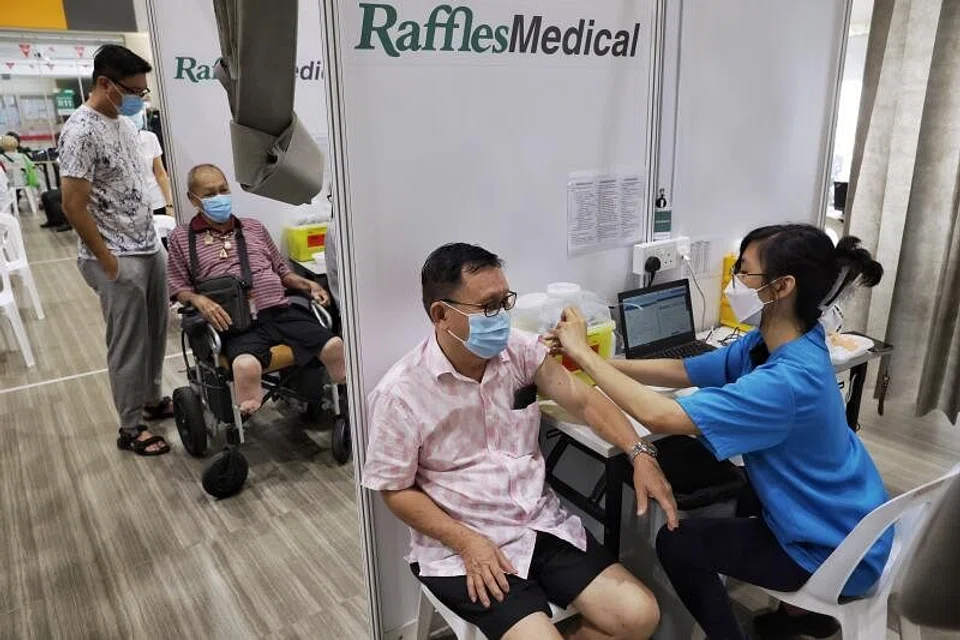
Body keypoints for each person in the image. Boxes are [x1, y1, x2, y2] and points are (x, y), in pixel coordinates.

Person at [548, 224, 892, 640]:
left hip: (836, 551)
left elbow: (659, 415)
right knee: (733, 486)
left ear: (782, 286)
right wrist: (597, 361)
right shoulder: (778, 341)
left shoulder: (784, 382)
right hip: (853, 515)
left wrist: (585, 355)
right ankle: (803, 618)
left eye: (744, 271)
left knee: (679, 544)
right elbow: (682, 369)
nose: (734, 282)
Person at [363, 243, 677, 640]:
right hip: (463, 542)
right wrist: (466, 541)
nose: (501, 318)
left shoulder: (520, 351)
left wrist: (640, 452)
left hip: (538, 523)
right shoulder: (400, 394)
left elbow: (585, 401)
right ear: (441, 315)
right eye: (488, 307)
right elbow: (394, 490)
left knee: (640, 615)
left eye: (504, 302)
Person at [59, 44, 172, 456]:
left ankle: (152, 399)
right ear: (105, 84)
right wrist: (107, 261)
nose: (139, 100)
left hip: (147, 244)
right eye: (133, 92)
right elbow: (72, 205)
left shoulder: (124, 125)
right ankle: (130, 426)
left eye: (143, 92)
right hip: (115, 254)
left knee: (156, 331)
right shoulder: (80, 132)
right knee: (128, 343)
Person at [166, 164, 345, 415]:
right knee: (246, 367)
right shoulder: (182, 238)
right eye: (209, 194)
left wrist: (309, 284)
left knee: (335, 346)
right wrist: (198, 300)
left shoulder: (253, 227)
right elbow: (178, 287)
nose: (219, 197)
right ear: (193, 199)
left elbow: (283, 272)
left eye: (223, 190)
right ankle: (247, 414)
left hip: (280, 313)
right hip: (238, 325)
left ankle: (346, 408)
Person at [125, 108, 174, 220]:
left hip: (155, 201)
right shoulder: (114, 143)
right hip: (130, 205)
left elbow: (161, 174)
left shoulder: (150, 138)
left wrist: (169, 204)